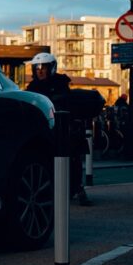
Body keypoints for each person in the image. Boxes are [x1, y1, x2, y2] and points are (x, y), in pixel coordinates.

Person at [26, 52, 92, 206]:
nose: (40, 70)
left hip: (63, 128)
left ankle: (78, 188)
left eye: (44, 67)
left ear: (52, 68)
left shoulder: (61, 84)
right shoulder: (32, 87)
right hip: (42, 128)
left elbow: (66, 103)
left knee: (73, 159)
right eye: (37, 67)